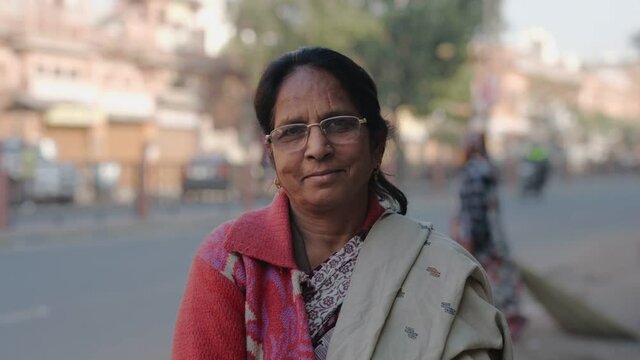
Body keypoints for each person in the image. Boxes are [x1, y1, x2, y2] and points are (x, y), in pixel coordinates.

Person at [173, 47, 512, 359]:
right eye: (292, 131)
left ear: (376, 145)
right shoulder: (232, 263)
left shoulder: (439, 270)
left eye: (338, 124)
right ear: (271, 156)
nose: (317, 147)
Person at [451, 132, 527, 340]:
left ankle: (501, 320)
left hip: (482, 237)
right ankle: (507, 317)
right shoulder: (486, 169)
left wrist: (471, 237)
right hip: (493, 235)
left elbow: (473, 209)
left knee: (488, 278)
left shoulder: (473, 171)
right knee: (500, 275)